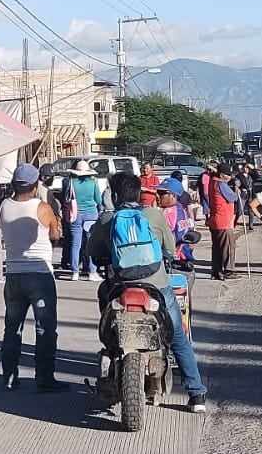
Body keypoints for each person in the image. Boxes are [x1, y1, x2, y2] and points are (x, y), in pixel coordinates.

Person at [83, 172, 207, 413]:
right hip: (156, 286)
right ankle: (197, 394)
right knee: (178, 338)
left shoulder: (107, 220)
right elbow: (170, 250)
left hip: (120, 286)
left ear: (114, 194)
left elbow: (91, 251)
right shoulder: (154, 215)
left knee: (103, 298)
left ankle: (111, 344)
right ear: (139, 193)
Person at [0, 163, 66, 392]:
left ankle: (9, 377)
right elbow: (56, 235)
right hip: (39, 275)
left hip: (13, 275)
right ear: (36, 184)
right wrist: (55, 222)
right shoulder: (42, 207)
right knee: (45, 329)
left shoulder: (4, 206)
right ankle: (44, 379)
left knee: (12, 328)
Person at [66, 160, 104, 281]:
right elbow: (98, 199)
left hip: (75, 214)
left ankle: (74, 272)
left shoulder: (71, 182)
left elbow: (66, 198)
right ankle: (92, 271)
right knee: (91, 243)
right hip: (91, 214)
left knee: (75, 244)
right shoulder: (93, 182)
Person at [207, 164, 239, 280]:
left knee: (217, 248)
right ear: (221, 175)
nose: (229, 177)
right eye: (228, 175)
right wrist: (237, 190)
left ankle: (216, 271)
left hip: (215, 220)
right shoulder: (221, 184)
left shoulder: (212, 182)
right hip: (224, 221)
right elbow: (232, 198)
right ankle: (228, 270)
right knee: (228, 247)